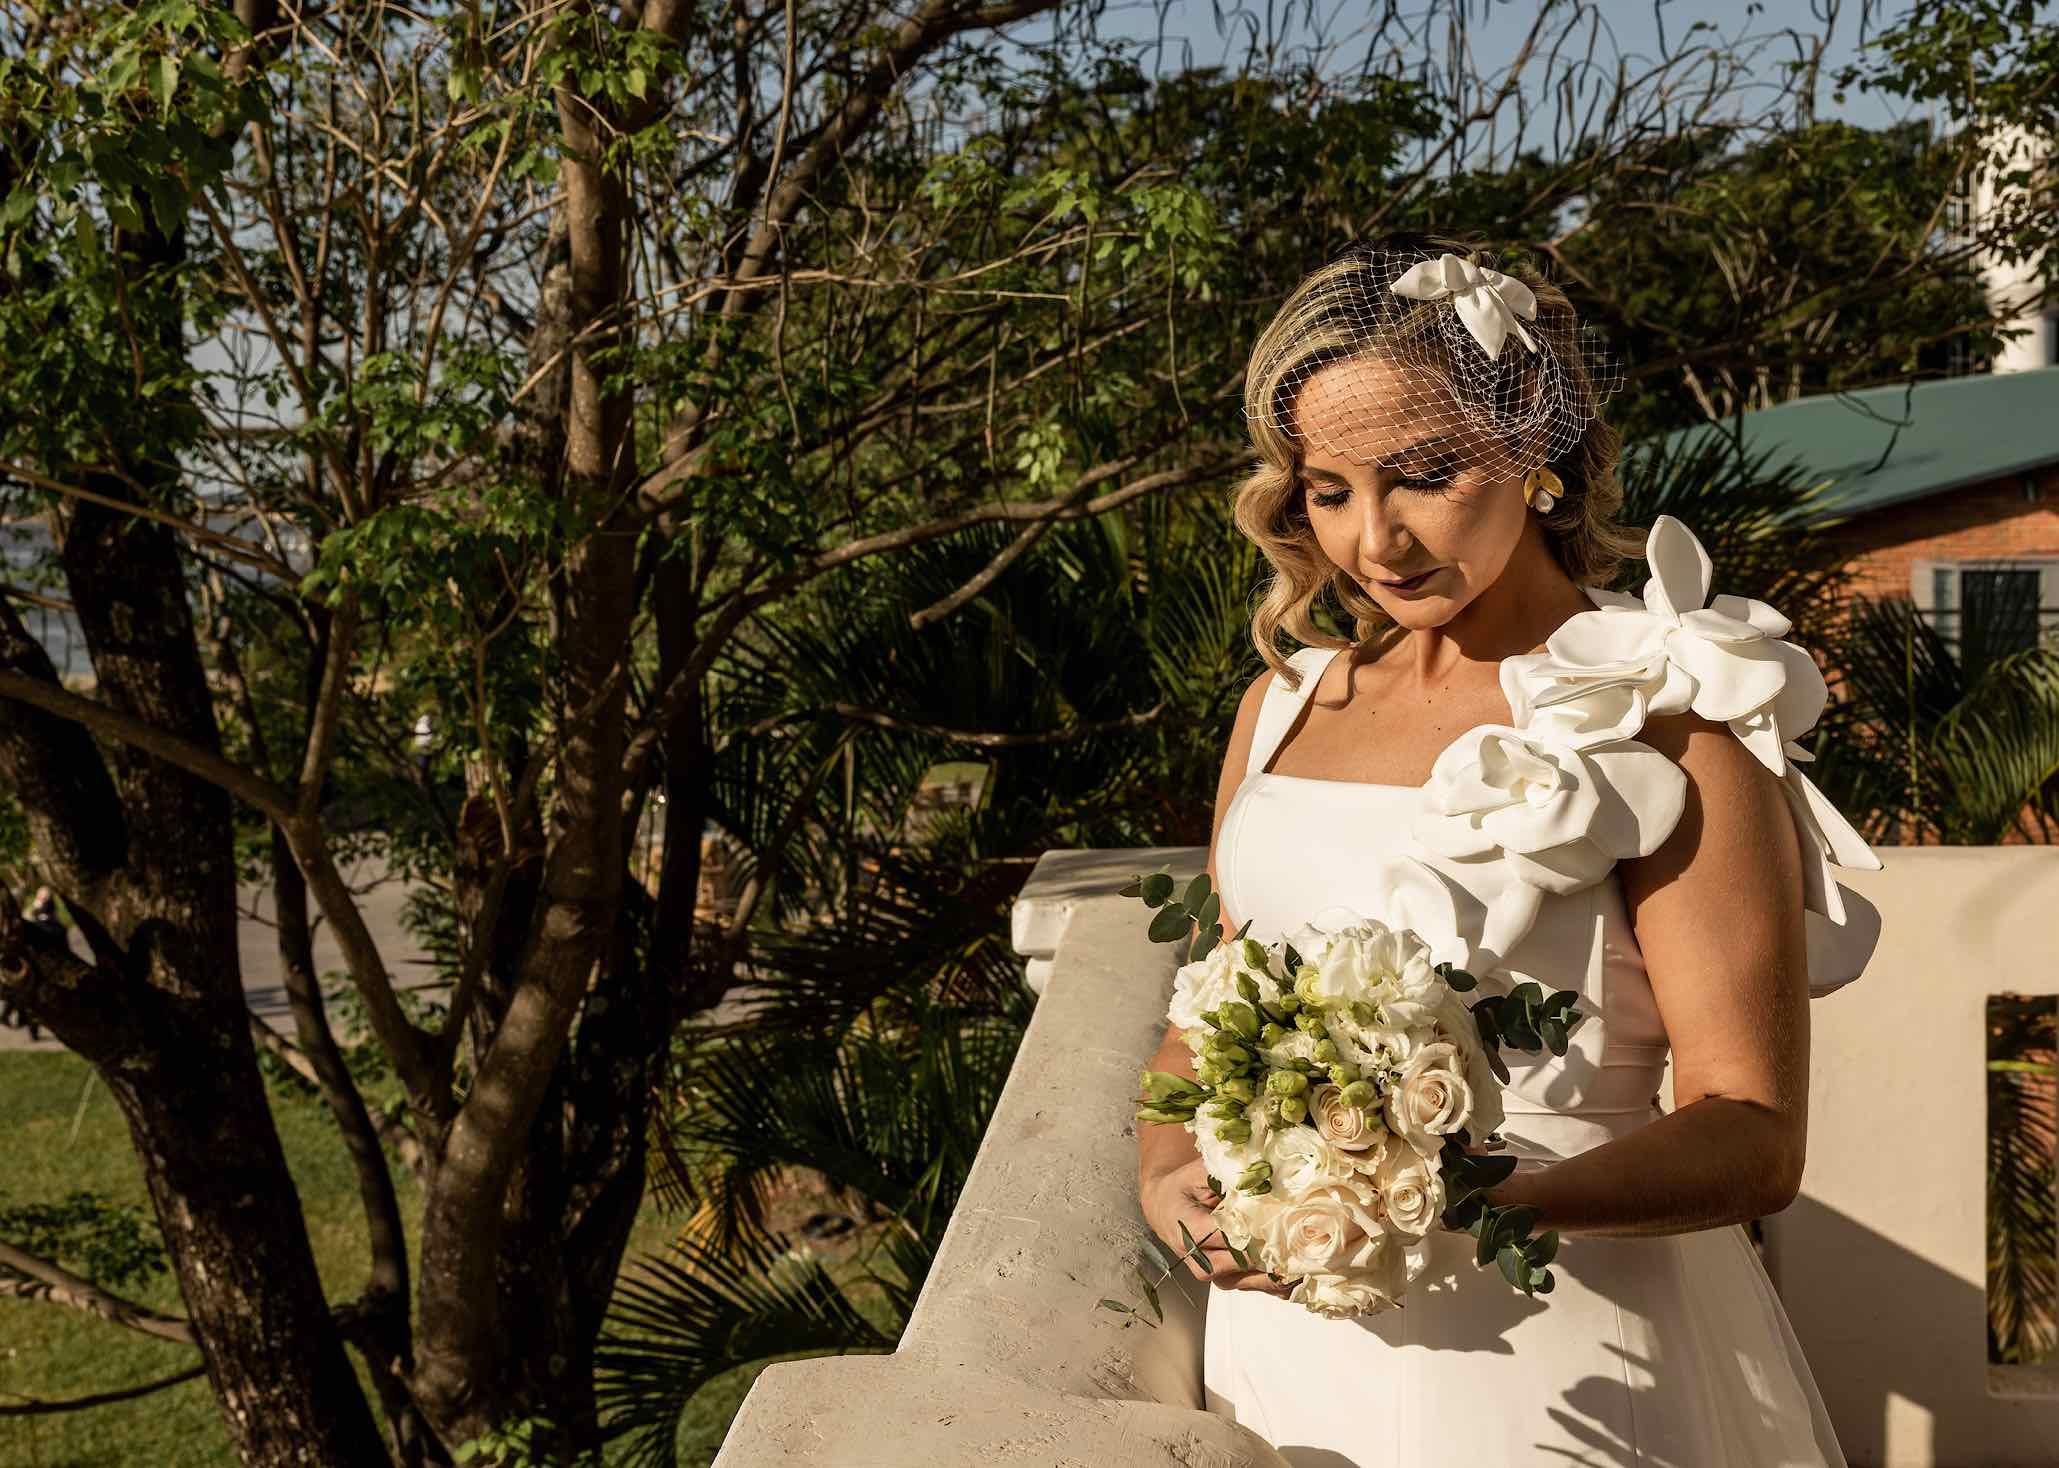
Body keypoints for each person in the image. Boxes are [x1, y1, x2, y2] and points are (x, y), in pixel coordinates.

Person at [1137, 233, 1883, 1465]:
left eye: (1423, 475)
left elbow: (1752, 1130)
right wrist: (1172, 1175)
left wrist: (1464, 1199)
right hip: (1283, 1349)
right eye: (1329, 491)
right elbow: (1204, 1016)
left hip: (1556, 1361)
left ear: (1534, 443)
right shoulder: (1280, 705)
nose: (1375, 541)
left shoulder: (1671, 716)